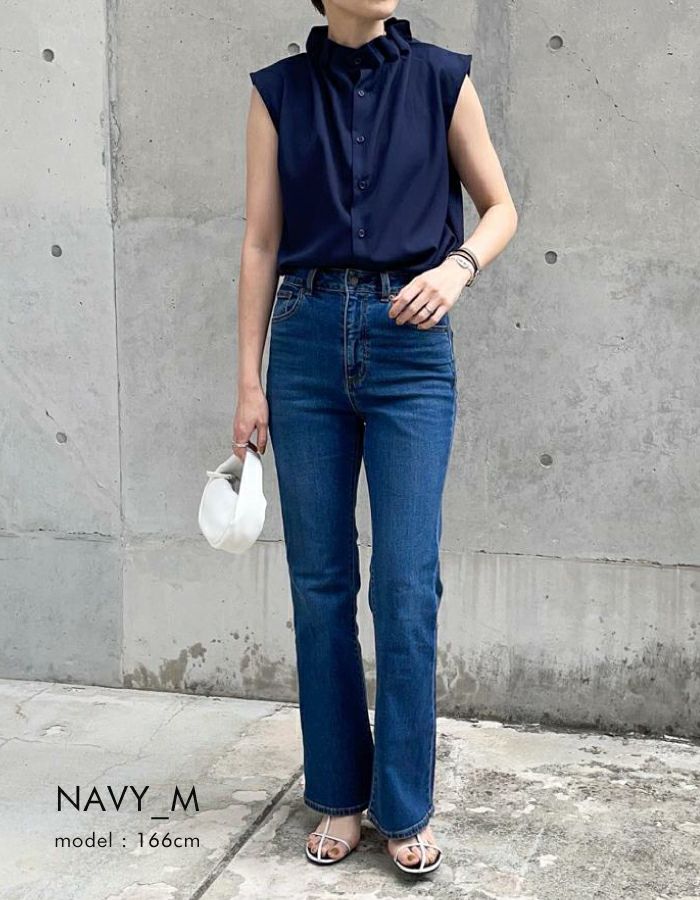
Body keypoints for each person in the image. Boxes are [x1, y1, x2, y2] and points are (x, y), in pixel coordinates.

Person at [234, 0, 517, 875]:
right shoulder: (278, 92)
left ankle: (403, 804)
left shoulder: (441, 79)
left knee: (404, 585)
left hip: (411, 347)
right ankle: (337, 795)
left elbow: (501, 208)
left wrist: (458, 267)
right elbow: (261, 242)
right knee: (320, 584)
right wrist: (248, 380)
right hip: (306, 341)